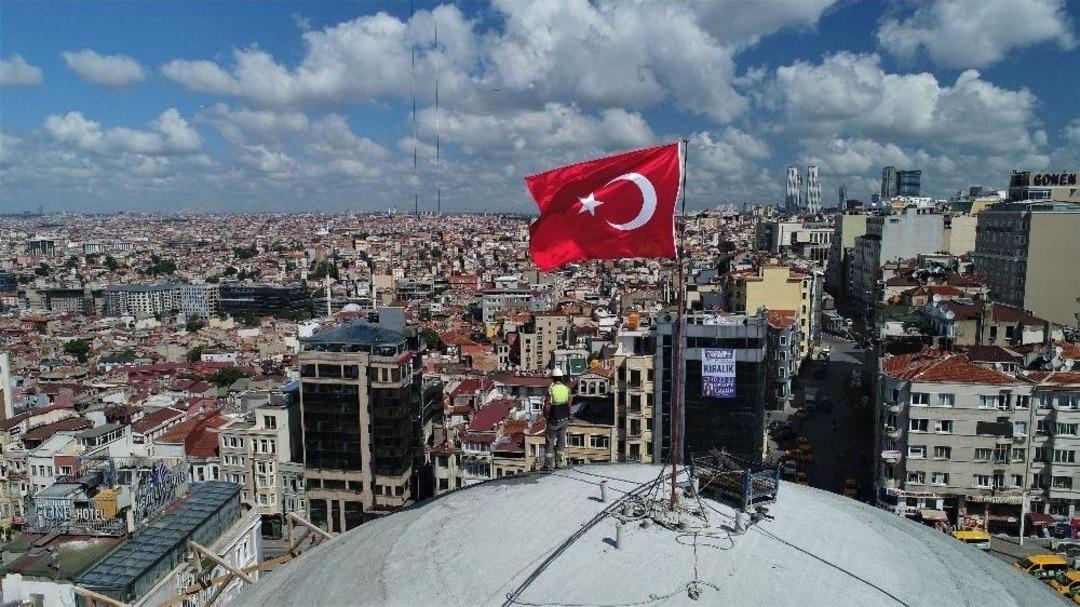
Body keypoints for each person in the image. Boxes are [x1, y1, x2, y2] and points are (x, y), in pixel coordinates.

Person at [543, 368, 572, 471]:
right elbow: (569, 404)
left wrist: (546, 416)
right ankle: (559, 462)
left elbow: (547, 407)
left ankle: (549, 465)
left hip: (554, 419)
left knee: (550, 442)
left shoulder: (551, 390)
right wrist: (569, 416)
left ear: (553, 379)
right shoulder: (566, 389)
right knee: (561, 441)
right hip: (564, 419)